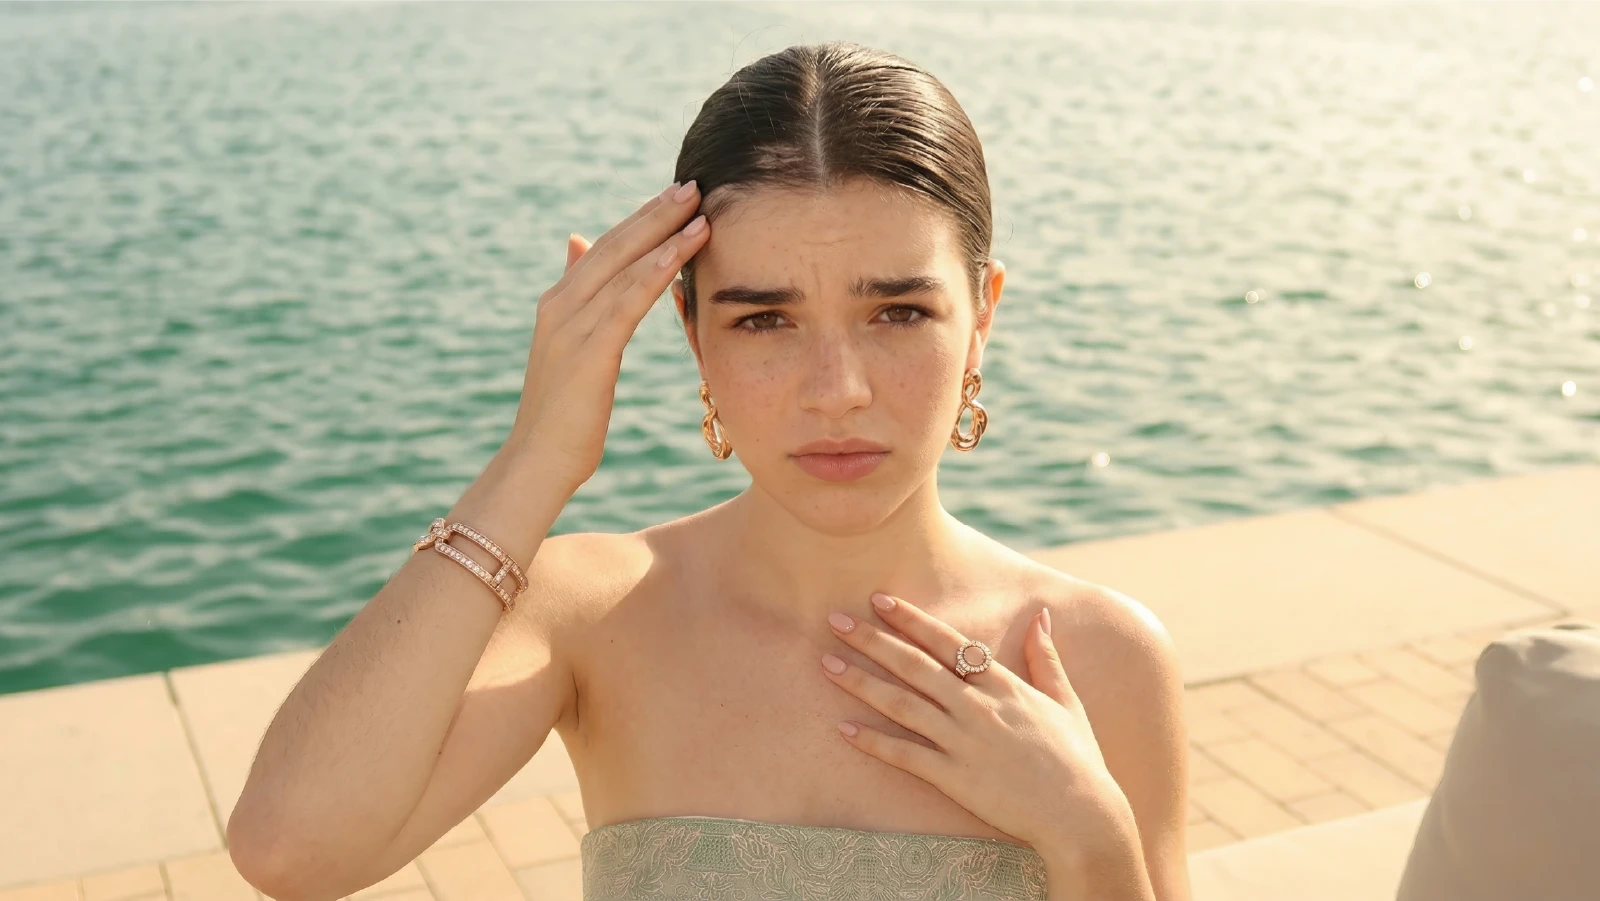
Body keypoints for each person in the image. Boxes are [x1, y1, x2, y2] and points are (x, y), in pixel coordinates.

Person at [225, 40, 1191, 901]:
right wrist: (534, 461)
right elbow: (292, 850)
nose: (837, 389)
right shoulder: (592, 614)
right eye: (763, 319)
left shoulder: (1096, 657)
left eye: (897, 311)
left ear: (982, 313)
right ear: (689, 329)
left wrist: (1090, 837)